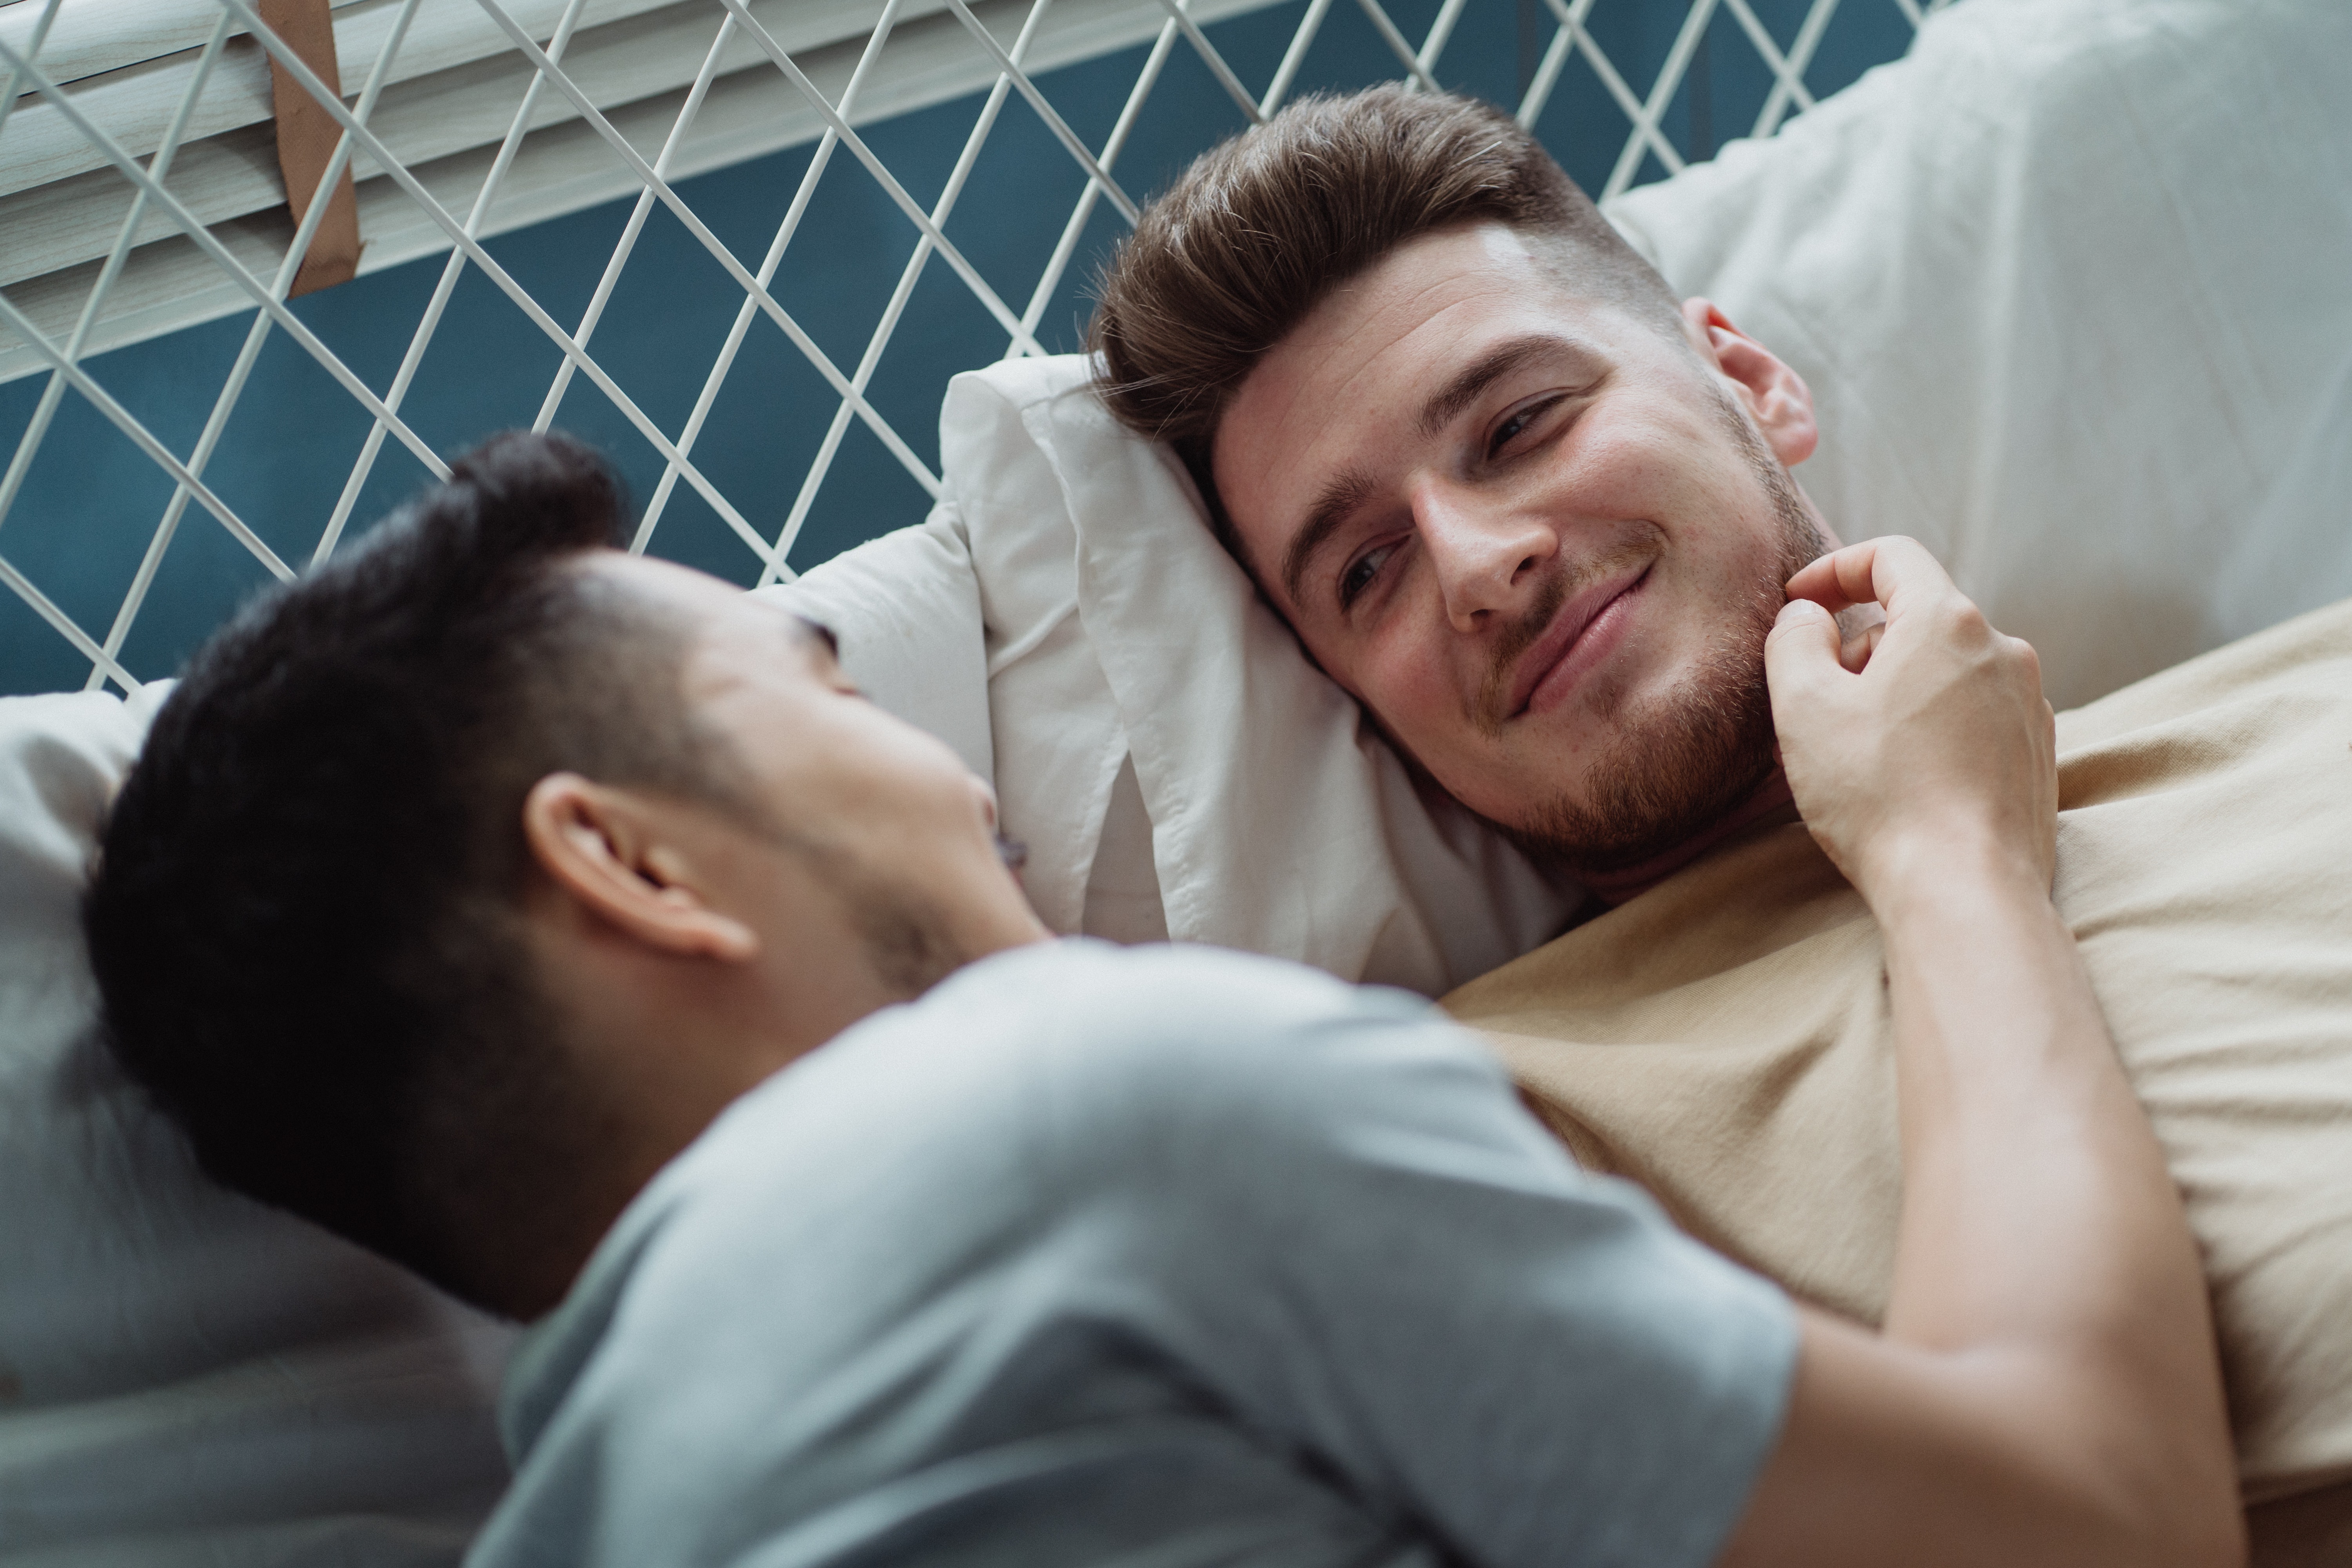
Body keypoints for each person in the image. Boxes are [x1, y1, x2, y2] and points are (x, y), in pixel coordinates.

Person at [81, 432, 2239, 1567]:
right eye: (818, 687)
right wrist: (1952, 843)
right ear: (627, 860)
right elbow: (2095, 1535)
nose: (961, 778)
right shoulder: (1083, 1106)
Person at [1090, 87, 1873, 901]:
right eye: (1366, 570)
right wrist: (1949, 839)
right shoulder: (1436, 1037)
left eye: (1519, 425)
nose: (1476, 566)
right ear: (1373, 720)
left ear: (1749, 382)